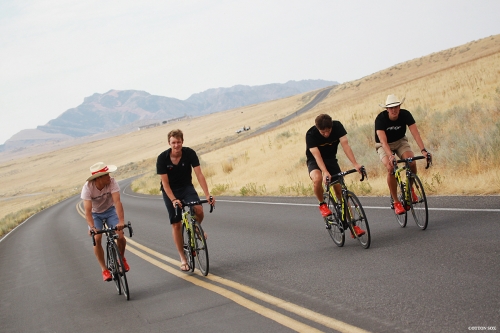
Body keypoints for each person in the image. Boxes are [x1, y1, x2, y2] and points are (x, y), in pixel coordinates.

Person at [156, 129, 215, 272]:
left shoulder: (189, 153)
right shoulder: (162, 158)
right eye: (173, 142)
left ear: (183, 141)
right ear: (169, 143)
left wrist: (207, 195)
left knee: (199, 209)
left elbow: (199, 174)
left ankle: (195, 227)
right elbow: (165, 184)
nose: (176, 145)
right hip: (170, 191)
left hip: (186, 187)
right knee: (176, 224)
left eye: (178, 142)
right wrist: (174, 200)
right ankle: (183, 258)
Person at [306, 113, 365, 237]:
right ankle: (322, 204)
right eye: (323, 132)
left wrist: (355, 164)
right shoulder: (311, 134)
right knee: (317, 179)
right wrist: (325, 172)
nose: (326, 134)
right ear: (318, 129)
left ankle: (353, 227)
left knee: (341, 193)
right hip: (315, 161)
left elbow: (345, 146)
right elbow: (317, 156)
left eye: (328, 131)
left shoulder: (337, 127)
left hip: (331, 160)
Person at [375, 94, 431, 215]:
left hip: (400, 141)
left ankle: (410, 190)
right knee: (390, 168)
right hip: (384, 145)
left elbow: (416, 134)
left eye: (396, 106)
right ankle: (396, 202)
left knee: (411, 162)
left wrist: (423, 150)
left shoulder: (406, 114)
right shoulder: (380, 119)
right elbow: (383, 142)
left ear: (400, 106)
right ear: (387, 109)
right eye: (391, 108)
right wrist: (390, 156)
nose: (394, 110)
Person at [81, 162, 129, 282]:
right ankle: (104, 270)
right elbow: (87, 211)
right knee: (97, 239)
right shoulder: (88, 187)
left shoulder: (112, 182)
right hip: (95, 214)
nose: (109, 176)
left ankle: (121, 259)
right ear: (99, 178)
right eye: (106, 174)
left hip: (110, 210)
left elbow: (117, 202)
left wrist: (121, 222)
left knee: (120, 235)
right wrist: (92, 227)